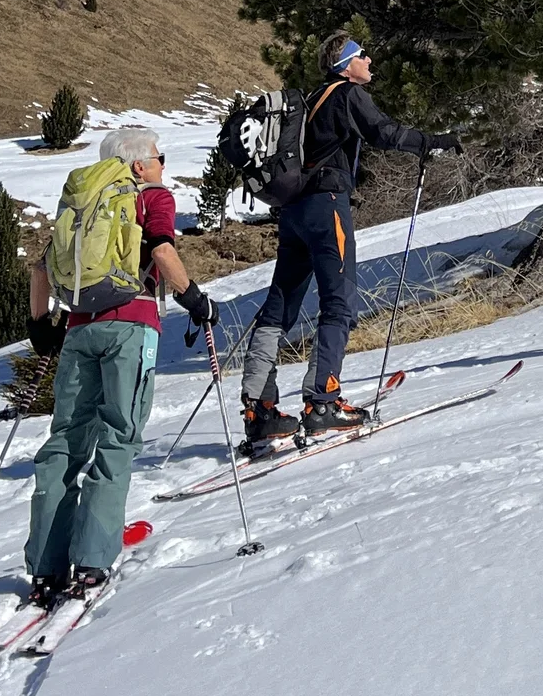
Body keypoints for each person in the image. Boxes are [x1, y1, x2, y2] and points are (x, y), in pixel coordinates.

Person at [239, 33, 462, 454]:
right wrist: (432, 143)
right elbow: (384, 132)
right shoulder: (346, 93)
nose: (369, 60)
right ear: (345, 65)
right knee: (338, 301)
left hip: (294, 211)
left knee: (279, 306)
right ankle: (323, 401)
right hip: (327, 206)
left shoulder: (311, 98)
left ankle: (259, 411)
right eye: (361, 55)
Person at [24, 124, 217, 604]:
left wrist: (39, 326)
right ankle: (91, 561)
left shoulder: (84, 202)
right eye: (159, 156)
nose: (162, 164)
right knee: (118, 438)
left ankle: (46, 567)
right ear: (138, 165)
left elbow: (41, 269)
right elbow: (162, 250)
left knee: (65, 441)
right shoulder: (151, 197)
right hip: (131, 328)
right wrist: (195, 299)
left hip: (76, 331)